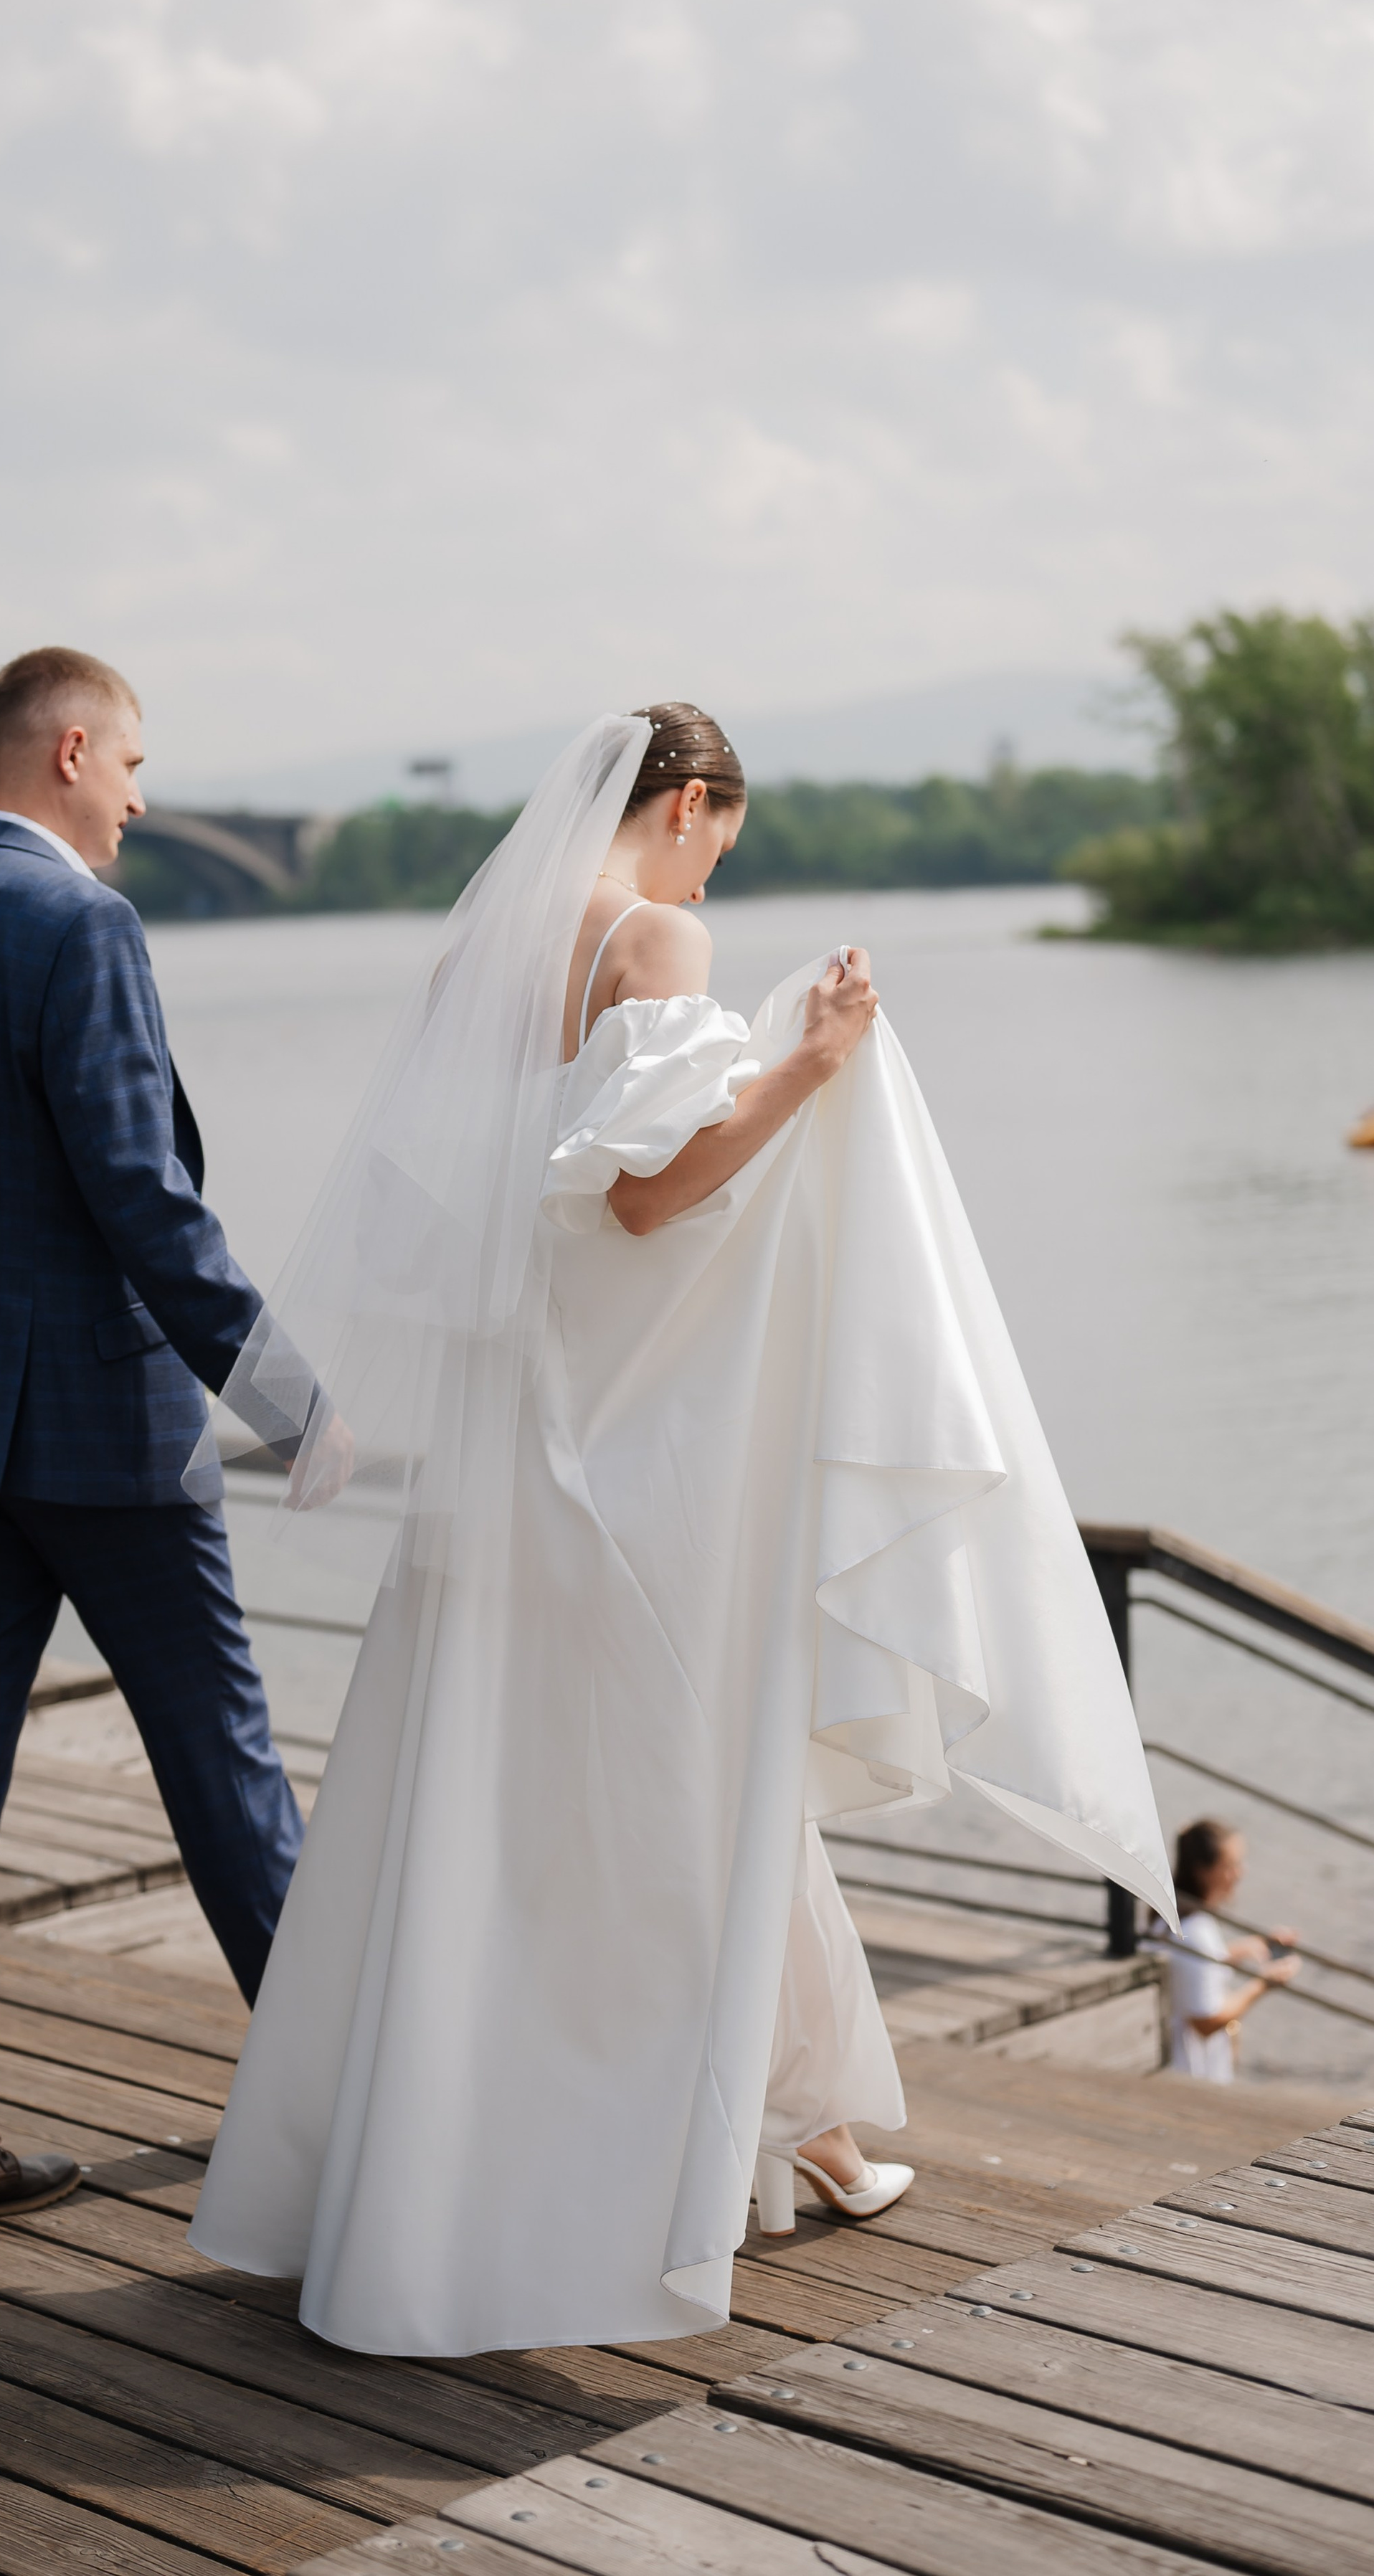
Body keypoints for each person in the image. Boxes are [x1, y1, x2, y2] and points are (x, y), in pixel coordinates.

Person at [188, 708, 1175, 2358]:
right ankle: (691, 2154)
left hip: (510, 1436)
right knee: (670, 1789)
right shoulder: (653, 934)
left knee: (497, 1796)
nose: (714, 865)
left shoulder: (475, 963)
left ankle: (768, 2127)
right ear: (690, 801)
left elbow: (481, 1208)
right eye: (719, 831)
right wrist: (810, 1061)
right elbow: (647, 1196)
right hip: (615, 1458)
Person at [0, 644, 305, 2255]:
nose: (141, 803)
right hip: (103, 1430)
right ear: (75, 749)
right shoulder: (83, 923)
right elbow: (143, 1196)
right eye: (135, 768)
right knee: (224, 1763)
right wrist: (294, 1400)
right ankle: (339, 2116)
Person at [1158, 1817, 1299, 2080]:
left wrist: (1254, 1946)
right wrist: (1263, 1984)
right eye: (1231, 1866)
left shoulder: (1168, 1917)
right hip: (1194, 2076)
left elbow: (1191, 1967)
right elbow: (1206, 2022)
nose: (1240, 1873)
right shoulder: (1196, 1933)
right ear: (1203, 1871)